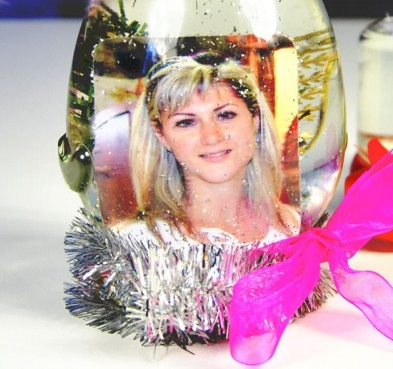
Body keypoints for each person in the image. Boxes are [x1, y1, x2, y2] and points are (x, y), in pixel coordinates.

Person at [121, 53, 300, 245]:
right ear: (162, 135)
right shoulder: (134, 242)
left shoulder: (298, 227)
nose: (212, 137)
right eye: (186, 122)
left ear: (255, 119)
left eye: (225, 115)